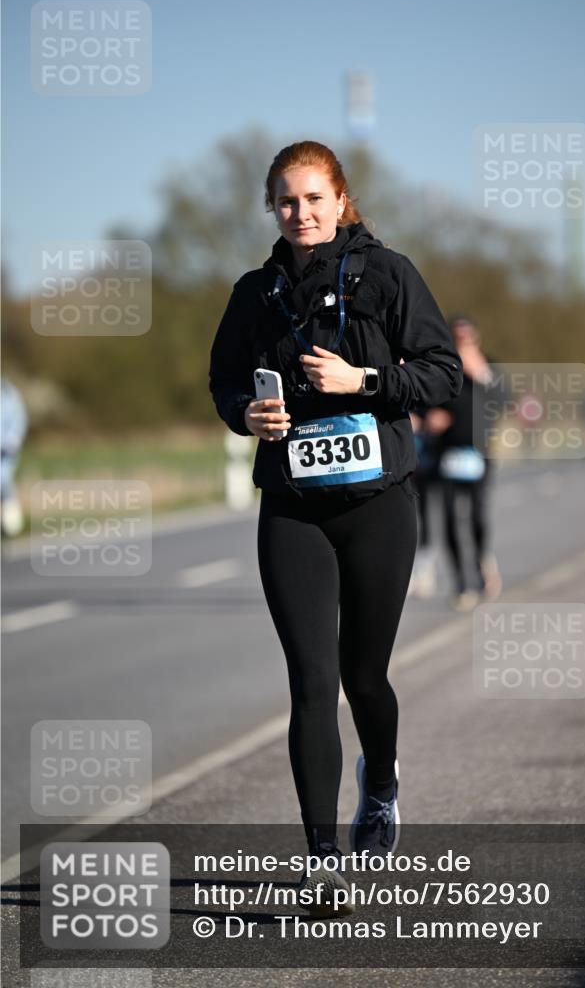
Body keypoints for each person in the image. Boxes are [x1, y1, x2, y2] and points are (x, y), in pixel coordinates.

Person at [209, 140, 462, 914]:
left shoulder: (388, 274)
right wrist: (245, 414)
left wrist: (366, 379)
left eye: (314, 198)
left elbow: (443, 373)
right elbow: (222, 382)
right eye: (286, 201)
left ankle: (380, 786)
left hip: (377, 503)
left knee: (363, 677)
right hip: (292, 508)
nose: (301, 213)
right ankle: (323, 859)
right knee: (311, 684)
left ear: (341, 201)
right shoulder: (254, 292)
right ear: (272, 209)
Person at [417, 316, 502, 611]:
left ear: (476, 339)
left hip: (480, 451)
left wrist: (480, 373)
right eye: (457, 338)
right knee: (451, 519)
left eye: (467, 338)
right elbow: (423, 399)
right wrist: (430, 417)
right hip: (448, 452)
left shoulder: (489, 366)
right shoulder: (441, 368)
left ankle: (481, 564)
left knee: (477, 515)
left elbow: (502, 400)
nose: (463, 343)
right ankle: (461, 583)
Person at [1, 378, 28, 537]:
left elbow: (19, 420)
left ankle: (11, 525)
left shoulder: (10, 395)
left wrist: (12, 439)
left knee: (4, 483)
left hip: (5, 452)